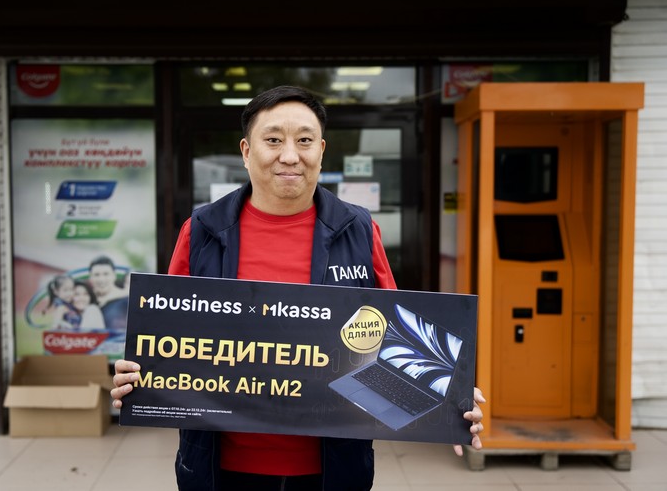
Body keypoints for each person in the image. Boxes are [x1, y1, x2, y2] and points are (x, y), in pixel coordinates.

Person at [111, 85, 485, 490]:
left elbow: (394, 344)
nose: (290, 155)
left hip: (332, 470)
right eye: (273, 140)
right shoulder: (203, 230)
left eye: (304, 141)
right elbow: (167, 339)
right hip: (222, 468)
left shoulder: (359, 230)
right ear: (246, 151)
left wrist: (449, 401)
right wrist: (137, 375)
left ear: (321, 151)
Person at [88, 255, 129, 331]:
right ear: (90, 278)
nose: (101, 279)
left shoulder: (128, 300)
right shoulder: (85, 301)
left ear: (114, 276)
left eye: (106, 274)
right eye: (96, 275)